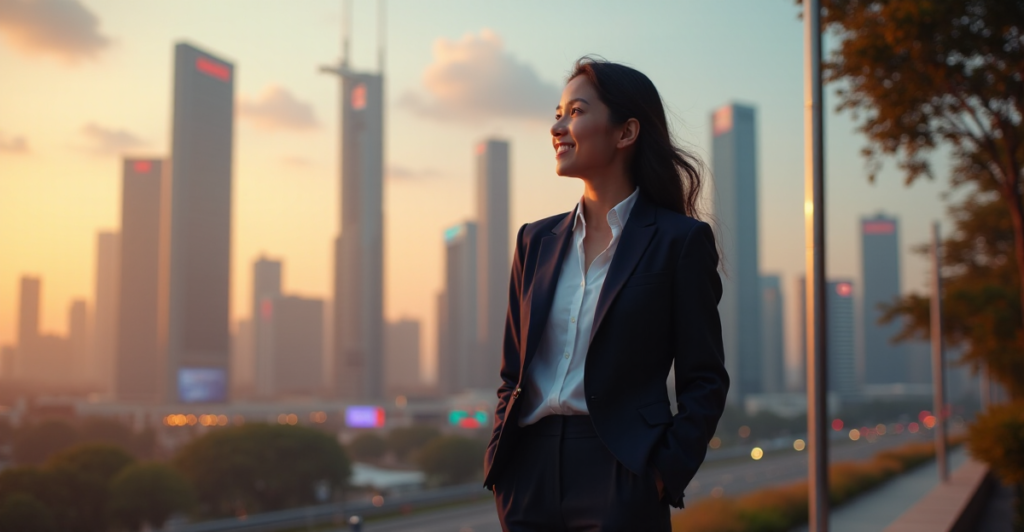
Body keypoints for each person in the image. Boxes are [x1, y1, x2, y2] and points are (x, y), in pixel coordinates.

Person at [483, 57, 730, 531]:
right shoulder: (534, 241)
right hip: (527, 474)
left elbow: (705, 381)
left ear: (625, 132)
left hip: (621, 470)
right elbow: (512, 372)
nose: (557, 126)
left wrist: (661, 474)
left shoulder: (679, 242)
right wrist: (501, 462)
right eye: (558, 112)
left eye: (575, 111)